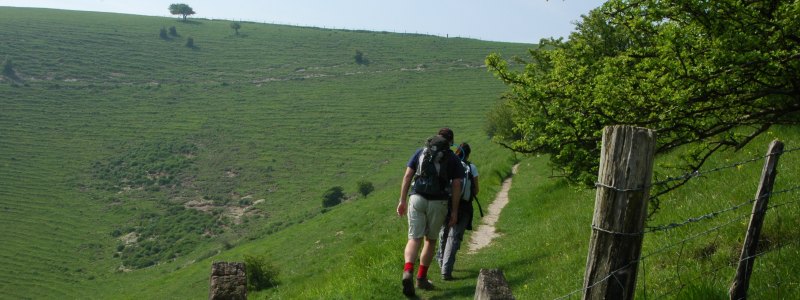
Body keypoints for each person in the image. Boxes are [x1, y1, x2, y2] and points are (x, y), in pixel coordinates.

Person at [397, 127, 464, 297]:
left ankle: (408, 271)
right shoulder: (453, 158)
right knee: (430, 240)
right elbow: (457, 185)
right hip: (438, 201)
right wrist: (454, 211)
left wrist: (402, 200)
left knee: (414, 238)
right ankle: (421, 278)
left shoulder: (421, 152)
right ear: (450, 142)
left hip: (417, 198)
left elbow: (407, 176)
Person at [436, 142, 480, 281]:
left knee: (444, 231)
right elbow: (476, 190)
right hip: (464, 207)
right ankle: (446, 271)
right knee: (454, 237)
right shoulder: (471, 167)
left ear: (457, 152)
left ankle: (441, 262)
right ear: (468, 154)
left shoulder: (451, 165)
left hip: (447, 203)